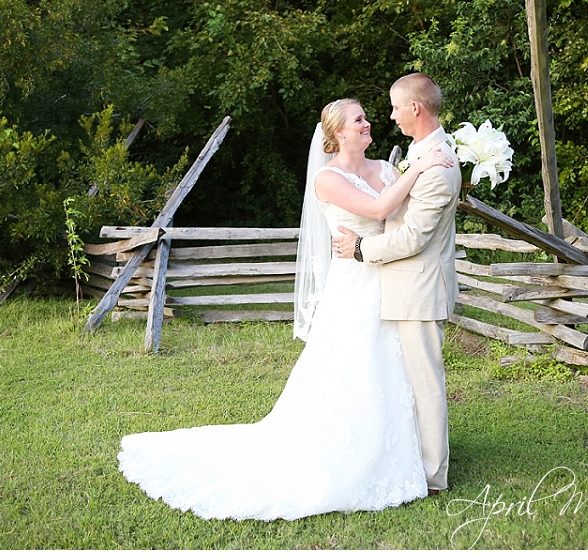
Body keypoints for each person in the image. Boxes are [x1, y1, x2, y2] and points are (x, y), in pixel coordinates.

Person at [117, 98, 454, 521]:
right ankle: (343, 452)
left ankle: (400, 452)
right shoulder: (327, 179)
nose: (369, 123)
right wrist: (420, 168)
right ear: (337, 135)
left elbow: (403, 218)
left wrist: (416, 175)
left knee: (393, 372)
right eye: (359, 120)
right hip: (353, 288)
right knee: (351, 370)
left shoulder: (387, 170)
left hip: (388, 283)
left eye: (367, 117)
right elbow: (379, 209)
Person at [333, 73, 463, 495]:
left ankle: (433, 476)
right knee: (408, 382)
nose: (388, 116)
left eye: (393, 107)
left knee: (426, 385)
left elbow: (413, 238)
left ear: (415, 109)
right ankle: (411, 457)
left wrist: (358, 250)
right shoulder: (421, 155)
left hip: (419, 289)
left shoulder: (438, 166)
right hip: (402, 288)